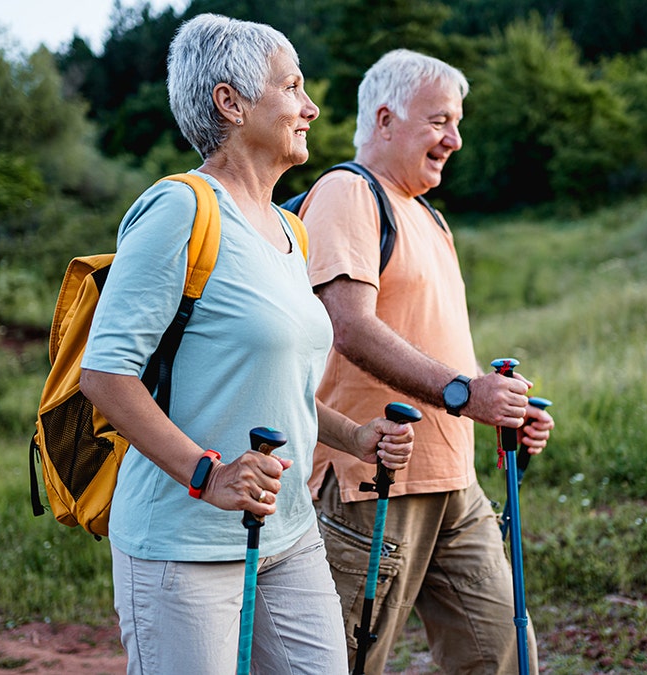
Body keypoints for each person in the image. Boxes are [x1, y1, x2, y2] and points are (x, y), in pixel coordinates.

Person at [78, 15, 415, 675]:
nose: (311, 107)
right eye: (292, 87)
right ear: (230, 102)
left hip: (286, 535)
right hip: (181, 544)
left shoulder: (292, 231)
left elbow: (272, 390)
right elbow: (105, 374)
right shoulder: (180, 210)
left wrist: (356, 439)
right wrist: (210, 474)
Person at [295, 49, 556, 674]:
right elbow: (350, 327)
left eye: (457, 123)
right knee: (349, 664)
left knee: (503, 656)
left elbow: (435, 343)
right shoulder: (348, 193)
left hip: (454, 480)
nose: (455, 139)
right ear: (385, 120)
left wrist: (504, 409)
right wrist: (467, 394)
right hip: (370, 479)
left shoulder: (431, 218)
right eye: (440, 120)